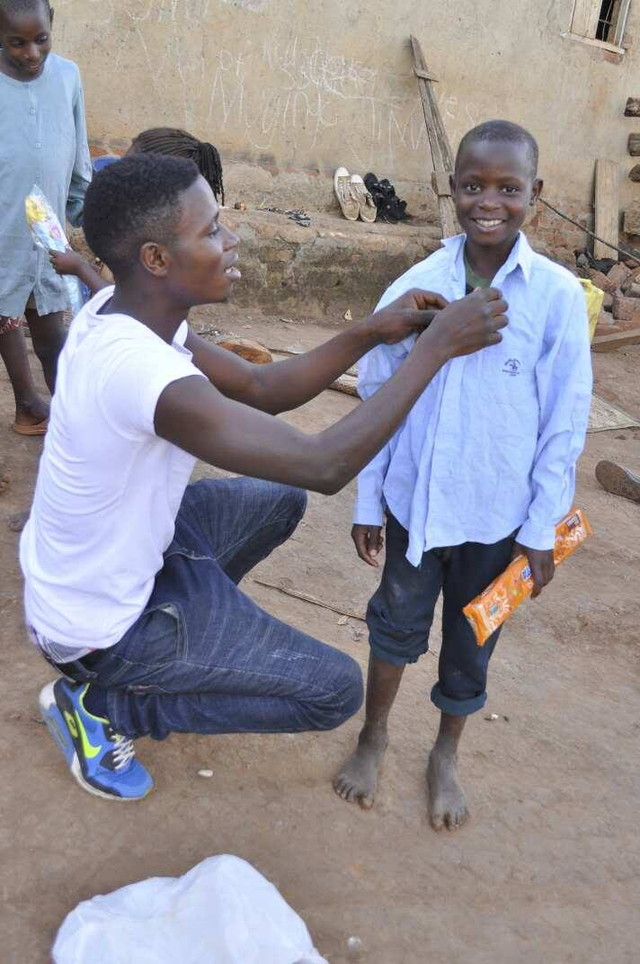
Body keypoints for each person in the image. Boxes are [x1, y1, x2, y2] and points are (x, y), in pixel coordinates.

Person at [20, 153, 507, 802]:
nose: (232, 239)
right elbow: (325, 465)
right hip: (93, 625)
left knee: (277, 499)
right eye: (211, 230)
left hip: (109, 565)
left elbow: (260, 387)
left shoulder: (127, 311)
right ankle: (107, 705)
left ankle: (185, 643)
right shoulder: (145, 375)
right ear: (157, 259)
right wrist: (437, 348)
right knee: (333, 691)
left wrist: (371, 330)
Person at [333, 120, 593, 830]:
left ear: (536, 194)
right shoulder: (416, 287)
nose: (490, 202)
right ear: (451, 188)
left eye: (509, 188)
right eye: (473, 185)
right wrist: (368, 500)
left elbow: (564, 421)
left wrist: (540, 528)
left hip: (499, 518)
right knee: (393, 627)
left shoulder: (556, 297)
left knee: (474, 641)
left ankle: (445, 753)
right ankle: (374, 736)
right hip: (415, 507)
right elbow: (376, 397)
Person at [0, 0, 91, 434]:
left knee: (52, 327)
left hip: (47, 227)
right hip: (3, 226)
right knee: (4, 316)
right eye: (17, 43)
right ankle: (28, 405)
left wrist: (85, 208)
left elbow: (79, 149)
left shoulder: (68, 76)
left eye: (41, 40)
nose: (31, 53)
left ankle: (69, 416)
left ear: (52, 26)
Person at [49, 127, 226, 297]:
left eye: (127, 166)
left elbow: (127, 300)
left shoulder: (157, 244)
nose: (118, 171)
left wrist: (81, 269)